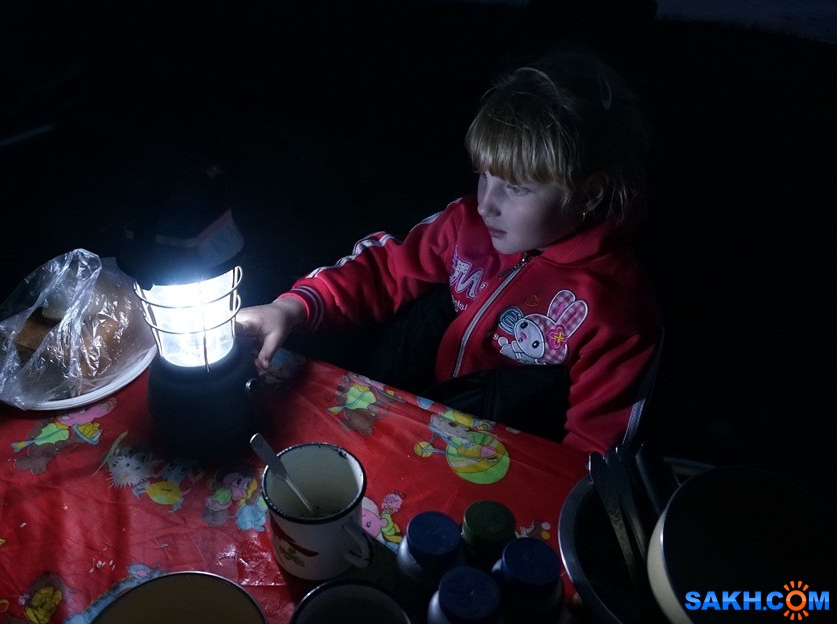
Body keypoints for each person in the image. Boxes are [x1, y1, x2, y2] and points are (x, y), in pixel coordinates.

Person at [235, 47, 662, 453]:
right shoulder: (467, 223)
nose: (486, 204)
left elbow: (592, 450)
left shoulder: (616, 311)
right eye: (485, 175)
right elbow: (384, 270)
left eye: (515, 188)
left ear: (589, 194)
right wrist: (292, 308)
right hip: (420, 398)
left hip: (503, 449)